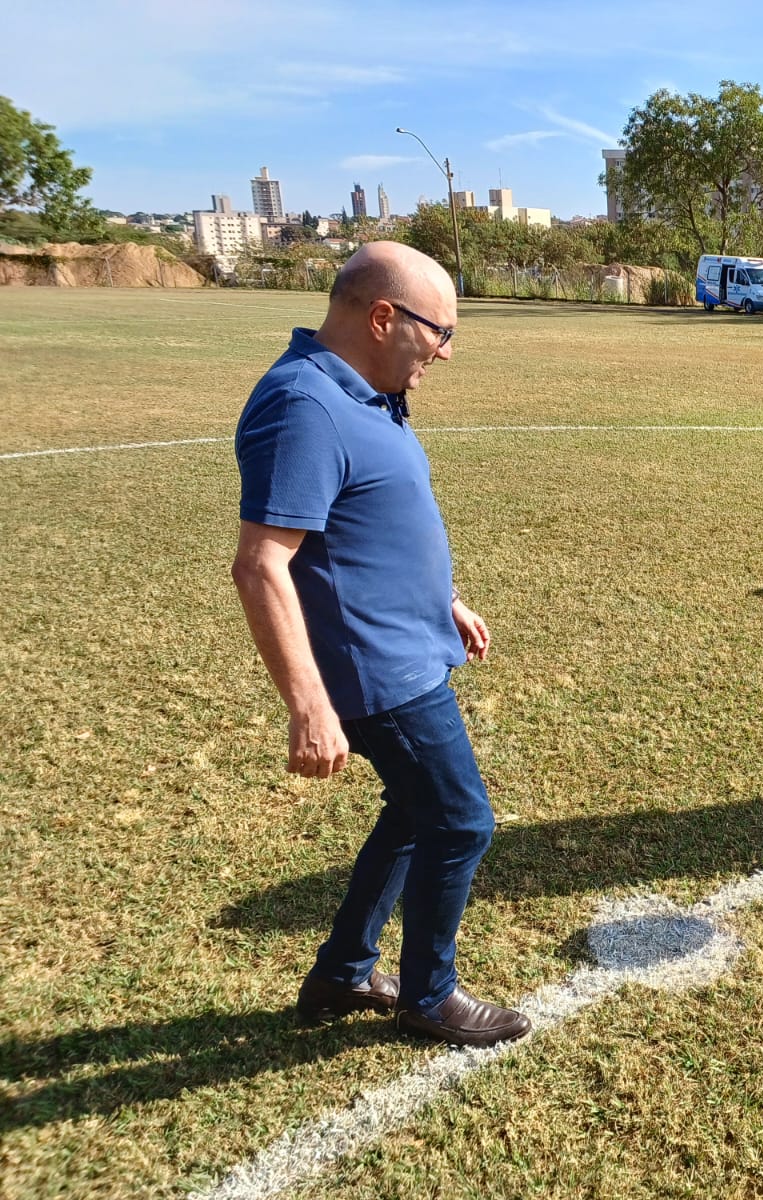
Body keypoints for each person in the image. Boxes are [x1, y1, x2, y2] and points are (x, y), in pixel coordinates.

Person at [231, 241, 532, 1048]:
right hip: (376, 673)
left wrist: (447, 600)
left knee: (411, 812)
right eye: (440, 331)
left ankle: (343, 972)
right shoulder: (305, 406)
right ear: (382, 317)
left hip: (406, 644)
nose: (444, 351)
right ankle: (430, 997)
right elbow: (263, 565)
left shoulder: (366, 393)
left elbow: (371, 525)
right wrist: (308, 706)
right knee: (461, 822)